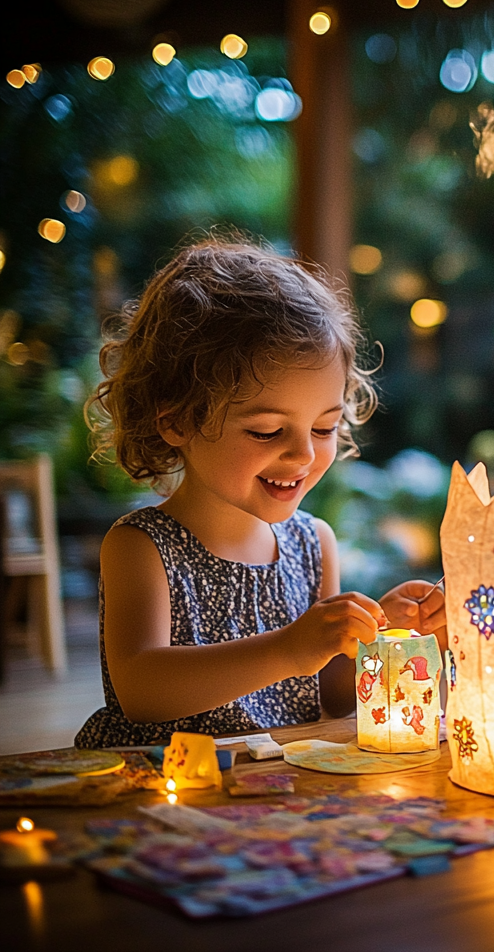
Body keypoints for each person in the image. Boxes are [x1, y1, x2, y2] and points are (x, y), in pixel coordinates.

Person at [75, 240, 445, 747]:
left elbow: (329, 696)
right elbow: (140, 689)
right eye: (268, 431)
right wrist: (289, 649)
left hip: (279, 796)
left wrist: (373, 641)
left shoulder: (315, 544)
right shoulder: (142, 546)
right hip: (168, 796)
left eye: (323, 429)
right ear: (178, 420)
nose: (304, 456)